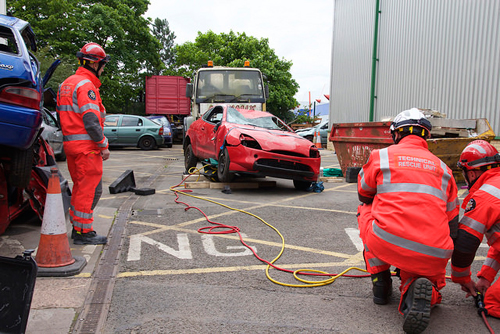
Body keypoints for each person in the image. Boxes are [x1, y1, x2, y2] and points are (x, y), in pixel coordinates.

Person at [356, 108, 459, 333]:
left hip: (388, 241)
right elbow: (453, 225)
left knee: (365, 210)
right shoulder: (444, 169)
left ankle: (380, 282)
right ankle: (419, 289)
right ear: (427, 137)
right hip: (435, 252)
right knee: (425, 271)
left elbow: (364, 194)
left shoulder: (381, 156)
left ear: (396, 134)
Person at [56, 42, 110, 245]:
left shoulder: (67, 84)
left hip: (72, 147)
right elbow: (91, 120)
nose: (103, 69)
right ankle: (81, 232)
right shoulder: (86, 86)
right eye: (103, 65)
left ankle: (79, 228)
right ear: (95, 64)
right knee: (88, 191)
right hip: (87, 148)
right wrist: (103, 145)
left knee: (82, 188)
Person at [451, 140, 500, 317]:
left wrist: (461, 277)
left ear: (471, 174)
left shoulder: (486, 195)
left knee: (493, 303)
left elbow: (465, 242)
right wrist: (486, 277)